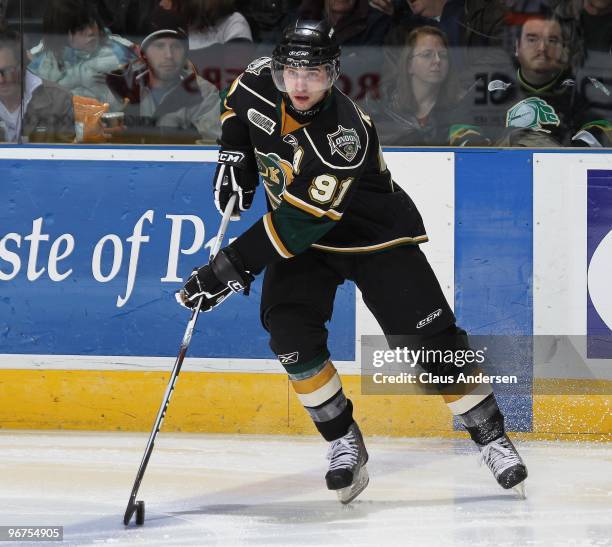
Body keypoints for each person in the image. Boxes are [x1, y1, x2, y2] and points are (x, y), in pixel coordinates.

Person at [178, 19, 528, 503]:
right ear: (277, 68)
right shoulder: (259, 76)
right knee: (290, 337)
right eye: (292, 73)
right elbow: (234, 103)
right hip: (305, 244)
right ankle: (344, 440)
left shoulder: (344, 135)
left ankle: (493, 440)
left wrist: (227, 268)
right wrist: (234, 154)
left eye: (315, 74)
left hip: (372, 236)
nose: (300, 85)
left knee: (431, 342)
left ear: (334, 74)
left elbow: (297, 226)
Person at [461, 14, 611, 146]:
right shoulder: (489, 87)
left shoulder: (584, 88)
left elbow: (605, 128)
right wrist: (494, 152)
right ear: (517, 47)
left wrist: (563, 154)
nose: (542, 48)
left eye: (552, 40)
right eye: (532, 39)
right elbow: (459, 126)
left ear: (562, 49)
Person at [105, 9, 220, 144]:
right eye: (159, 46)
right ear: (144, 54)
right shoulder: (123, 87)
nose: (169, 55)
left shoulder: (203, 92)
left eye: (176, 46)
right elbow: (100, 140)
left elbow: (211, 147)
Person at [28, 0, 136, 106]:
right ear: (62, 34)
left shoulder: (117, 52)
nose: (90, 32)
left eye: (92, 23)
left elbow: (128, 99)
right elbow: (40, 101)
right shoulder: (45, 61)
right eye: (80, 29)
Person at [372, 26, 465, 145]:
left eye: (443, 55)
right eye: (427, 55)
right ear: (409, 65)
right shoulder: (382, 104)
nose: (437, 60)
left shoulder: (461, 105)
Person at [0, 28, 75, 143]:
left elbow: (67, 157)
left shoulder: (59, 100)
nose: (1, 80)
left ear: (23, 65)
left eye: (8, 70)